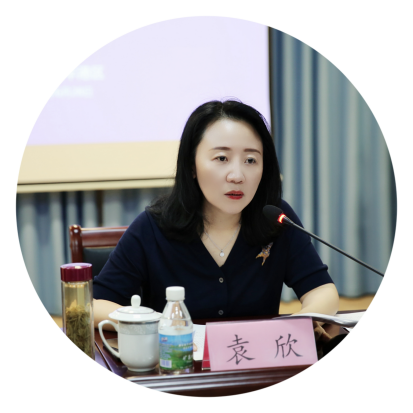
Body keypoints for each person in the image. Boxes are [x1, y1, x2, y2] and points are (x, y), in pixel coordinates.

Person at [93, 100, 339, 330]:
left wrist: (286, 330)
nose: (237, 175)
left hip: (253, 358)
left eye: (250, 160)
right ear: (192, 165)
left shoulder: (276, 219)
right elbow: (97, 305)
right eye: (221, 158)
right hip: (178, 358)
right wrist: (161, 326)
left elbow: (323, 293)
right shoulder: (154, 226)